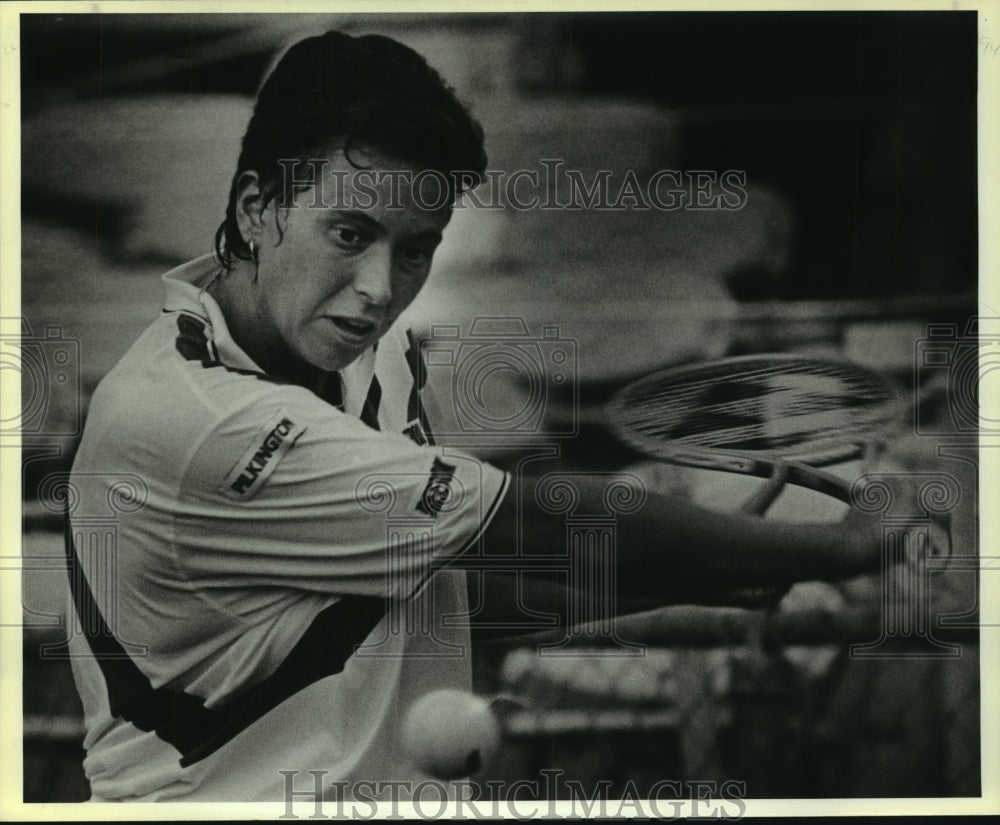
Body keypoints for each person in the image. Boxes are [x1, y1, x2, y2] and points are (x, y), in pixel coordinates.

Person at [64, 30, 882, 802]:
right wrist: (839, 545)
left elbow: (433, 593)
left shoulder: (351, 359)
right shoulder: (195, 415)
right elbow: (536, 520)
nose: (380, 287)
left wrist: (707, 568)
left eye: (416, 247)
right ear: (255, 209)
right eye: (349, 232)